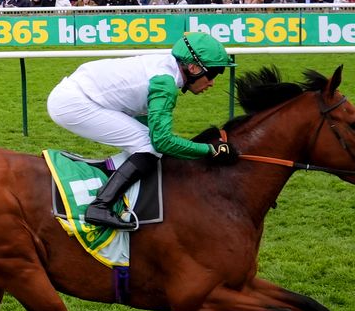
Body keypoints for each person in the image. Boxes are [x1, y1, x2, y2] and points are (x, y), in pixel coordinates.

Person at [47, 32, 238, 230]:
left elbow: (152, 127)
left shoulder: (165, 67)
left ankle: (111, 175)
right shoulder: (165, 83)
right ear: (193, 68)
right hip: (74, 103)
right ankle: (100, 206)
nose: (212, 82)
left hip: (78, 93)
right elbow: (161, 141)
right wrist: (210, 150)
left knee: (144, 139)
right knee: (148, 145)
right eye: (213, 74)